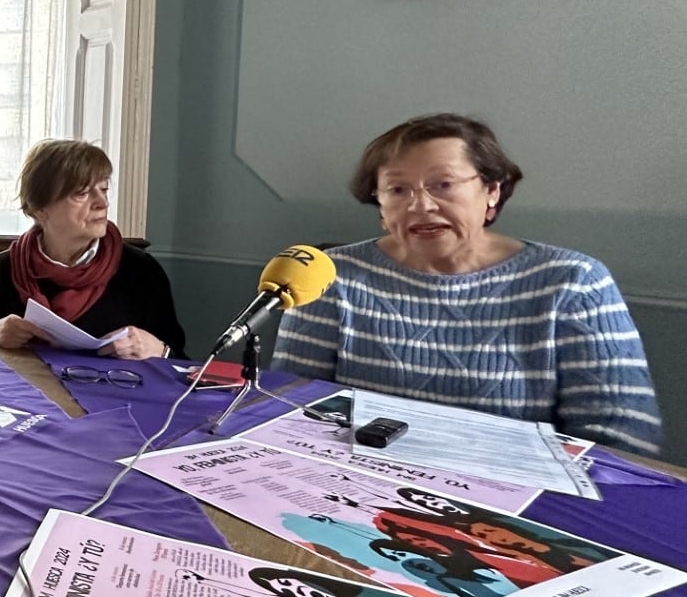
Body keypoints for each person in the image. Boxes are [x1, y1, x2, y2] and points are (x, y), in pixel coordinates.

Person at [273, 113, 661, 454]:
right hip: (350, 484)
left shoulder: (572, 282)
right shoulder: (329, 275)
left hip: (516, 506)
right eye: (397, 189)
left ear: (492, 190)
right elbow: (291, 406)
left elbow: (620, 439)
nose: (420, 206)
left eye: (443, 185)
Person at [0, 139, 186, 358]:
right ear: (40, 209)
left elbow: (181, 363)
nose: (102, 203)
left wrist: (161, 350)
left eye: (103, 189)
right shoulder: (0, 271)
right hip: (22, 391)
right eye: (81, 193)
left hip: (112, 391)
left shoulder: (142, 271)